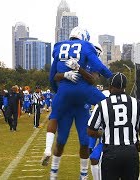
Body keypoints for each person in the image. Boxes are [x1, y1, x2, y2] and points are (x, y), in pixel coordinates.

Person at [43, 27, 112, 169]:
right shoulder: (86, 47)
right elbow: (98, 70)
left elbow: (52, 76)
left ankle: (48, 150)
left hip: (65, 93)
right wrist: (113, 77)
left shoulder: (59, 46)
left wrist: (59, 87)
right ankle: (121, 131)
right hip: (82, 93)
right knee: (109, 104)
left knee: (55, 118)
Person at [87, 72, 140, 180]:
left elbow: (91, 131)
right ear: (125, 87)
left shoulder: (102, 105)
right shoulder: (137, 103)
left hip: (110, 152)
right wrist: (130, 132)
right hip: (131, 151)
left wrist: (105, 132)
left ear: (110, 87)